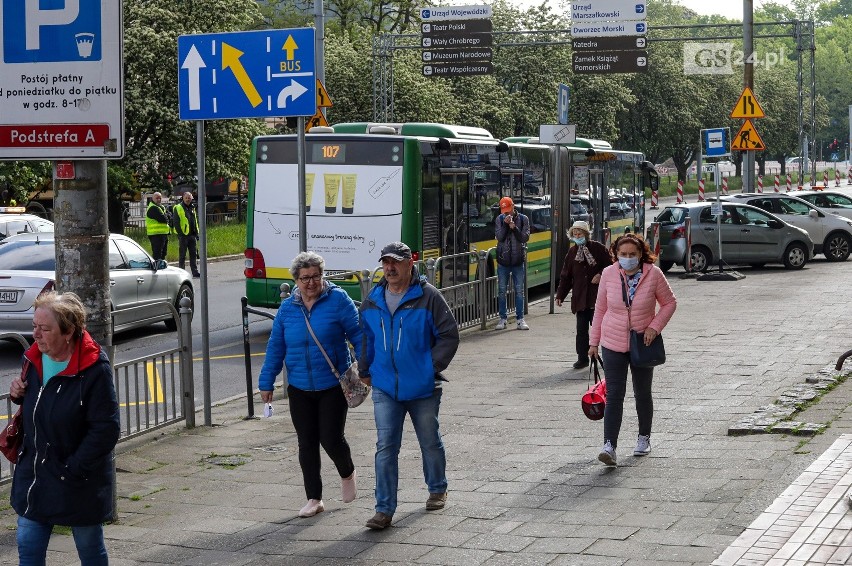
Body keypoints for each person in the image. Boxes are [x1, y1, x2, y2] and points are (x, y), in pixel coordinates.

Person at [8, 291, 120, 565]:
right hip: (35, 474)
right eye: (34, 326)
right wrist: (17, 393)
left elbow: (106, 429)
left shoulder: (94, 368)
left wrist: (73, 468)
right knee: (28, 549)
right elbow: (39, 403)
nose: (36, 334)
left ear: (69, 331)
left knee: (90, 550)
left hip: (76, 479)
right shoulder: (33, 358)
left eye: (45, 329)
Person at [359, 242, 460, 530]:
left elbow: (449, 336)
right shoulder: (373, 300)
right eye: (385, 263)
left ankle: (437, 488)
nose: (389, 268)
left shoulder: (428, 297)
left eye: (395, 263)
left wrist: (430, 368)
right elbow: (366, 338)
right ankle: (383, 509)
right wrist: (365, 369)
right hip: (385, 387)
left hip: (423, 387)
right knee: (385, 447)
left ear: (409, 264)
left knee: (429, 440)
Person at [258, 251, 362, 518]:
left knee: (330, 438)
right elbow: (275, 347)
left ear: (322, 276)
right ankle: (314, 498)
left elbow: (358, 335)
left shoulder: (338, 300)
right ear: (296, 280)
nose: (311, 283)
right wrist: (266, 381)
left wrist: (368, 367)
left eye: (316, 276)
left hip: (332, 384)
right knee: (307, 442)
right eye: (305, 278)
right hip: (300, 387)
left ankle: (347, 471)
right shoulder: (287, 309)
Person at [589, 234, 677, 466]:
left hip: (642, 343)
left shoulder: (653, 274)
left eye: (632, 255)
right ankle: (609, 446)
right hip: (612, 342)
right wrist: (593, 342)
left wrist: (654, 327)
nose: (627, 259)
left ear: (641, 255)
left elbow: (669, 303)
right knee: (614, 395)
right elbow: (599, 310)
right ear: (616, 255)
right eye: (623, 255)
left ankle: (643, 438)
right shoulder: (609, 274)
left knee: (642, 393)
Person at [555, 220, 612, 370]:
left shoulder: (598, 248)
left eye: (580, 232)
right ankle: (582, 358)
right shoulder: (572, 253)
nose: (577, 235)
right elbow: (566, 276)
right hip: (580, 298)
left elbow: (611, 266)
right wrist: (560, 294)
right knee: (581, 331)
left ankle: (608, 358)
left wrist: (600, 274)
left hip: (597, 297)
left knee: (601, 329)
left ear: (586, 234)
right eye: (575, 233)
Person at [494, 196, 531, 330]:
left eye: (509, 210)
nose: (507, 213)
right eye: (504, 211)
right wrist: (505, 225)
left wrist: (514, 228)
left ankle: (520, 319)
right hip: (503, 261)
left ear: (513, 207)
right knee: (502, 290)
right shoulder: (499, 220)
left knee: (519, 291)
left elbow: (525, 238)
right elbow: (499, 237)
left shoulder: (523, 219)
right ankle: (502, 319)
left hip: (517, 261)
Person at [173, 191, 200, 277]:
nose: (188, 199)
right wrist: (180, 234)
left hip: (192, 234)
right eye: (186, 198)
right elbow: (176, 222)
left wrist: (196, 233)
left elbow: (194, 221)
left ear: (191, 198)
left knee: (193, 254)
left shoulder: (192, 207)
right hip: (183, 235)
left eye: (189, 198)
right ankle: (182, 272)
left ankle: (195, 272)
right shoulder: (178, 207)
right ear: (183, 198)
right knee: (182, 255)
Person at [145, 192, 171, 261]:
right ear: (152, 199)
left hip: (163, 234)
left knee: (163, 254)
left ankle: (161, 268)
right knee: (157, 255)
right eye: (157, 198)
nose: (159, 199)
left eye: (160, 198)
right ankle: (157, 269)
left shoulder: (160, 207)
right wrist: (167, 216)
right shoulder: (153, 208)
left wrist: (167, 217)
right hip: (155, 235)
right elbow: (163, 219)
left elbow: (169, 216)